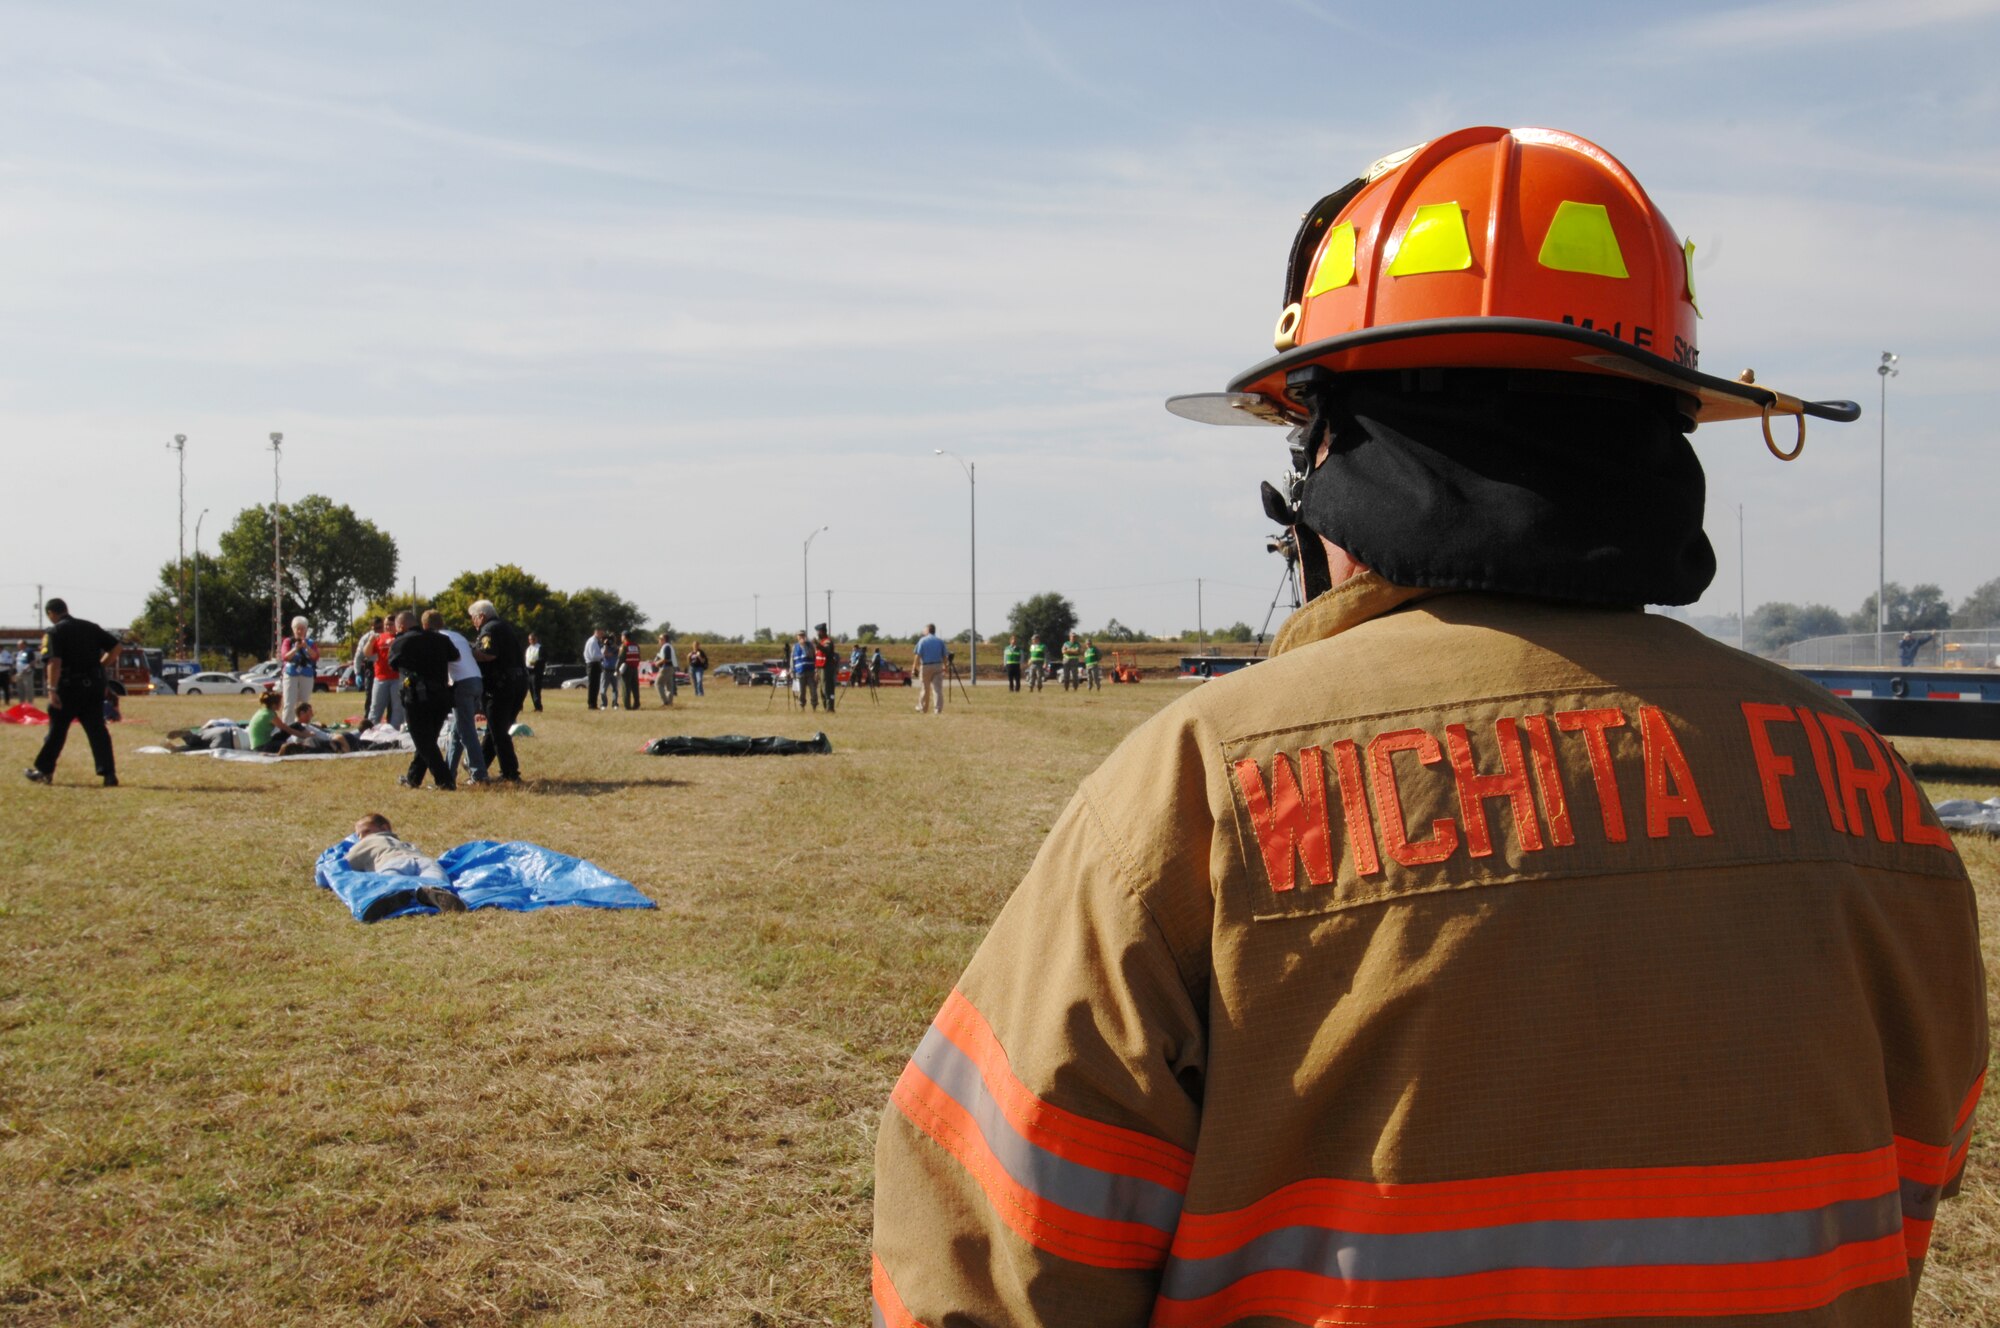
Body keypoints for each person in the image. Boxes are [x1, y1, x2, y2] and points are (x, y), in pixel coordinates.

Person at [870, 127, 1987, 1324]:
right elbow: (1909, 1176)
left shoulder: (1202, 785)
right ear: (1658, 440)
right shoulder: (1862, 787)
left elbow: (996, 1253)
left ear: (1335, 465)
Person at [22, 599, 121, 787]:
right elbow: (116, 648)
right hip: (92, 686)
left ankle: (45, 771)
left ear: (51, 613)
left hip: (68, 688)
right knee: (97, 731)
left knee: (57, 732)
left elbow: (54, 662)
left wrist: (51, 689)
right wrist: (100, 666)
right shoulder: (90, 627)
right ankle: (109, 774)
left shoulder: (54, 632)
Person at [389, 610, 458, 790]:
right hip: (441, 696)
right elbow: (455, 656)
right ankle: (413, 778)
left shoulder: (401, 641)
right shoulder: (441, 639)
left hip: (417, 697)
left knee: (423, 740)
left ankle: (445, 780)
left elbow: (393, 664)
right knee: (428, 739)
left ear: (402, 626)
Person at [345, 813, 467, 915]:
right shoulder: (404, 843)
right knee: (436, 876)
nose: (361, 838)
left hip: (391, 862)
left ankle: (395, 896)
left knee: (392, 880)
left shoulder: (365, 843)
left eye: (366, 831)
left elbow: (343, 865)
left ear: (384, 827)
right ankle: (434, 891)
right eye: (358, 835)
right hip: (422, 860)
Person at [470, 600, 528, 783]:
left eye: (473, 618)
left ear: (482, 616)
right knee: (495, 730)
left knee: (498, 732)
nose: (473, 622)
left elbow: (488, 654)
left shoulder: (490, 629)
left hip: (501, 686)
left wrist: (468, 651)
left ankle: (510, 772)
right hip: (517, 683)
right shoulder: (503, 626)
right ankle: (479, 768)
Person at [435, 613, 492, 786]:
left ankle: (479, 775)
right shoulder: (457, 635)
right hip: (476, 680)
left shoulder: (438, 639)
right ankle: (448, 774)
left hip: (462, 684)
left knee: (467, 732)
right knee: (456, 731)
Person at [366, 619, 405, 730]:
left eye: (390, 624)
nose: (388, 627)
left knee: (397, 708)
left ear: (396, 625)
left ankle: (394, 731)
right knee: (376, 707)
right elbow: (367, 654)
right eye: (386, 625)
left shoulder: (401, 637)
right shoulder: (380, 637)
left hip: (397, 678)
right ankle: (370, 731)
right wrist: (370, 642)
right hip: (380, 678)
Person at [279, 616, 318, 723]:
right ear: (293, 629)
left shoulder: (310, 642)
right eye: (298, 628)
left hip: (306, 674)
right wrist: (295, 648)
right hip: (291, 673)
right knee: (289, 703)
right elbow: (285, 656)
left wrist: (306, 647)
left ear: (306, 630)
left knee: (304, 703)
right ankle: (287, 727)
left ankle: (302, 725)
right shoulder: (288, 641)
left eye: (302, 628)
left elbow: (315, 657)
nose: (300, 631)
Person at [911, 623, 949, 715]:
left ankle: (923, 708)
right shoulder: (940, 641)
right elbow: (944, 655)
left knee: (925, 688)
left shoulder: (922, 641)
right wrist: (945, 666)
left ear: (928, 630)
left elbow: (918, 655)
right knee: (937, 689)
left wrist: (914, 667)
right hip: (937, 666)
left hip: (926, 666)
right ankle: (937, 709)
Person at [790, 630, 816, 710]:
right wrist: (792, 670)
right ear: (797, 637)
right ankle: (802, 706)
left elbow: (813, 656)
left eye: (802, 635)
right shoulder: (795, 647)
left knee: (813, 691)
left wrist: (804, 646)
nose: (801, 637)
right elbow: (792, 660)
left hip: (810, 672)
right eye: (799, 635)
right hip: (799, 672)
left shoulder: (810, 645)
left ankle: (814, 706)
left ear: (805, 636)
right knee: (801, 692)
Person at [815, 624, 838, 713]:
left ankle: (830, 708)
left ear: (823, 632)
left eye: (818, 632)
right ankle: (826, 708)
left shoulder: (827, 641)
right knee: (822, 689)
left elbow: (827, 650)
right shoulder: (821, 642)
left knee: (827, 688)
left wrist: (818, 645)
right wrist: (816, 670)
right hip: (821, 668)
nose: (817, 633)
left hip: (827, 668)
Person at [583, 627, 606, 710]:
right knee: (593, 685)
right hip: (592, 664)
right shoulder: (593, 641)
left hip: (594, 664)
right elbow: (594, 656)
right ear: (597, 632)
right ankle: (591, 704)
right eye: (602, 633)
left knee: (595, 686)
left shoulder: (595, 641)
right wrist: (603, 655)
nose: (602, 635)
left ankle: (593, 704)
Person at [618, 631, 642, 709]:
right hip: (635, 668)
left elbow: (620, 659)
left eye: (621, 636)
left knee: (626, 687)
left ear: (624, 637)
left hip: (626, 669)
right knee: (635, 688)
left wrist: (616, 669)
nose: (621, 637)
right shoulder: (636, 646)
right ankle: (636, 704)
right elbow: (638, 657)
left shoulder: (624, 646)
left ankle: (627, 705)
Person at [652, 634, 677, 707]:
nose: (658, 640)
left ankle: (665, 701)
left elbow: (666, 659)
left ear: (664, 639)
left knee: (658, 684)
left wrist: (657, 663)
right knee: (669, 687)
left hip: (666, 668)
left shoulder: (666, 647)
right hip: (671, 667)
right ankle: (669, 703)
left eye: (659, 638)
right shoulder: (668, 646)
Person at [525, 632, 545, 712]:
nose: (531, 641)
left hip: (537, 672)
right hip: (529, 671)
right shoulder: (529, 648)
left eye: (532, 639)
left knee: (536, 689)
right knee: (531, 690)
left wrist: (535, 663)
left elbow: (543, 659)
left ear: (536, 639)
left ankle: (539, 707)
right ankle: (535, 706)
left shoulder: (540, 648)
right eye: (530, 639)